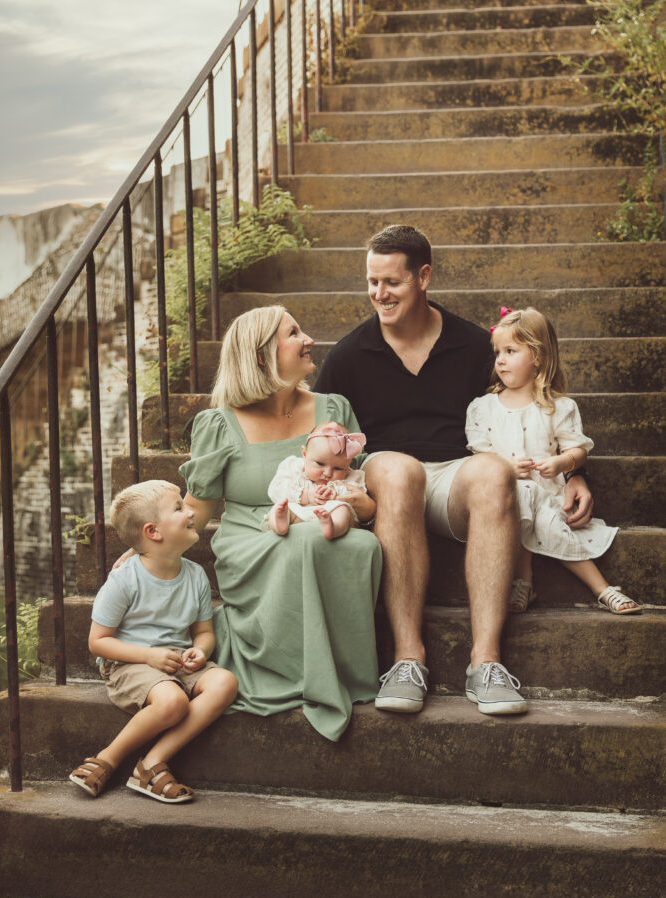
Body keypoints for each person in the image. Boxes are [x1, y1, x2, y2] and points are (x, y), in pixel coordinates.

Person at [314, 224, 594, 717]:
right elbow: (319, 438)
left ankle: (485, 662)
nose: (379, 294)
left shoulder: (472, 344)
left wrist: (571, 473)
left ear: (423, 277)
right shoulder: (347, 357)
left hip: (454, 479)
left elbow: (528, 409)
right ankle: (408, 659)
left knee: (490, 472)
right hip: (386, 483)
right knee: (400, 471)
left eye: (392, 282)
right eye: (372, 281)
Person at [178, 305, 382, 742]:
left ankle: (340, 672)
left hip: (325, 519)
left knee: (362, 547)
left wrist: (353, 503)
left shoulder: (332, 409)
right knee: (305, 541)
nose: (309, 339)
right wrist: (144, 552)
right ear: (261, 356)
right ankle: (300, 672)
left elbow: (358, 485)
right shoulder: (220, 423)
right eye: (294, 333)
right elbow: (197, 509)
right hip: (254, 535)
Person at [69, 480, 238, 803]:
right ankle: (107, 758)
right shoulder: (124, 580)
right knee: (172, 702)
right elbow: (98, 642)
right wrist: (148, 656)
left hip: (176, 661)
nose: (192, 511)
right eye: (179, 508)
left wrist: (199, 653)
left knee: (224, 682)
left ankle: (150, 763)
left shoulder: (195, 575)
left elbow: (203, 632)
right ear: (153, 531)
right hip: (131, 663)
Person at [467, 306, 641, 616]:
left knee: (541, 514)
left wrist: (561, 464)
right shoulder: (483, 408)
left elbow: (578, 450)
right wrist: (506, 468)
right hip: (505, 496)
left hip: (549, 494)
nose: (500, 360)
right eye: (498, 352)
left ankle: (596, 588)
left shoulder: (557, 406)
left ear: (538, 357)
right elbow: (479, 456)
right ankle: (534, 581)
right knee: (519, 498)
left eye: (510, 351)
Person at [265, 420, 371, 540]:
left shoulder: (352, 477)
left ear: (348, 465)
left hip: (330, 514)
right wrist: (306, 496)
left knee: (342, 510)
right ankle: (280, 524)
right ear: (304, 454)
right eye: (320, 464)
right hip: (297, 512)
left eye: (338, 468)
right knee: (280, 506)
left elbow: (357, 500)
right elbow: (276, 489)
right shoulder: (294, 468)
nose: (327, 473)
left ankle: (333, 528)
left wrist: (336, 496)